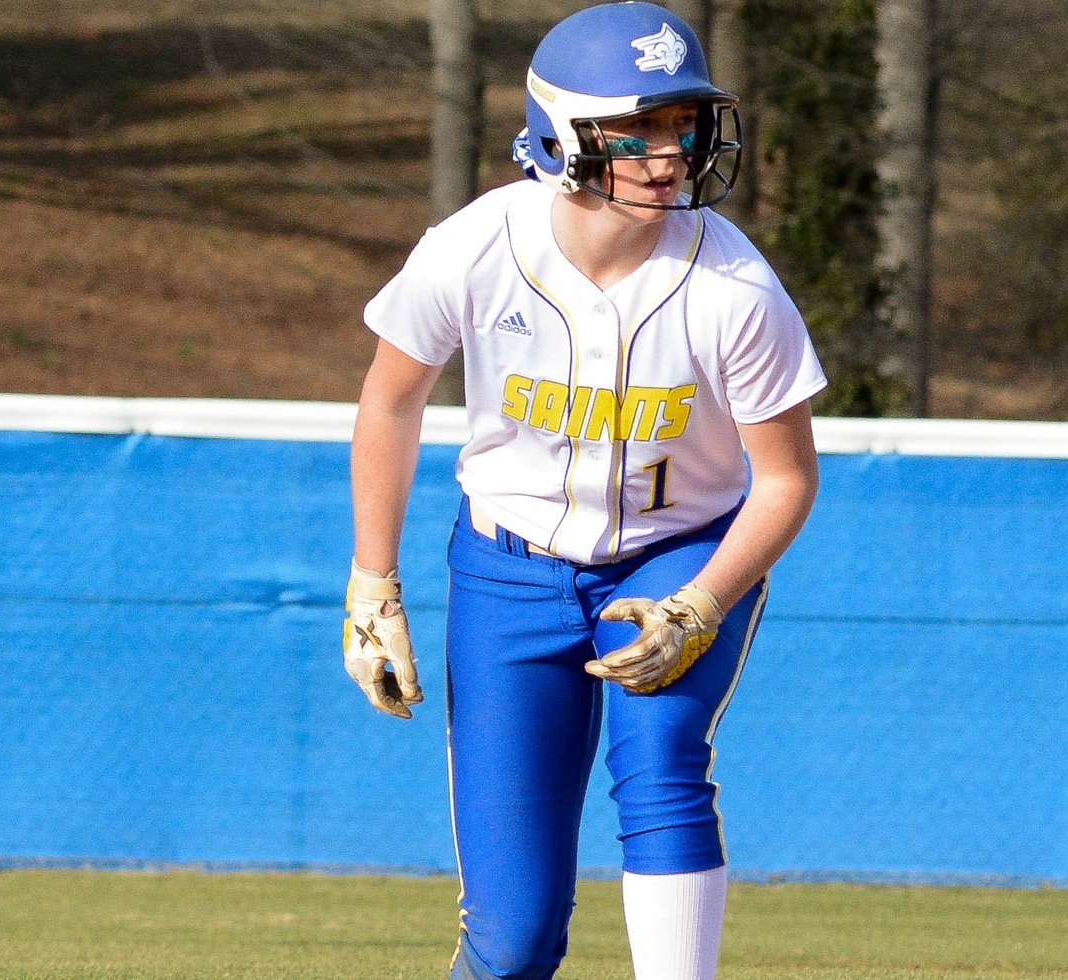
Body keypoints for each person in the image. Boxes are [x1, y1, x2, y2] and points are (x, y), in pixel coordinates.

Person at [344, 4, 824, 978]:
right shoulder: (476, 244)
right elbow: (390, 403)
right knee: (514, 935)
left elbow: (784, 479)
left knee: (660, 760)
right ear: (561, 136)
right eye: (637, 129)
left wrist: (701, 603)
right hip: (508, 569)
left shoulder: (734, 287)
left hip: (678, 551)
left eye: (682, 123)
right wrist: (371, 583)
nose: (669, 153)